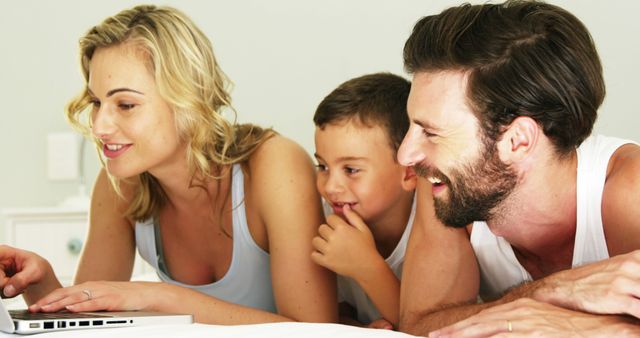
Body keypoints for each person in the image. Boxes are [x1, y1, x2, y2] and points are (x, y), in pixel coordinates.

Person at [0, 5, 337, 324]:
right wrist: (40, 283)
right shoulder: (121, 183)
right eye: (96, 102)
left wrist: (162, 298)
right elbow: (89, 317)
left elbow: (316, 330)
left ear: (187, 98)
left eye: (126, 104)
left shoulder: (273, 167)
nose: (100, 126)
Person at [395, 0, 640, 336]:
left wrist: (587, 326)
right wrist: (550, 292)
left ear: (518, 141)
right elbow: (419, 327)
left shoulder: (630, 190)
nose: (406, 156)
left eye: (431, 133)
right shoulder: (447, 183)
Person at [310, 73, 416, 330]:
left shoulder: (435, 224)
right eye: (322, 166)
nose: (331, 187)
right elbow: (336, 310)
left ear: (409, 172)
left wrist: (366, 266)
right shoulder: (328, 217)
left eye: (351, 170)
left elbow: (426, 324)